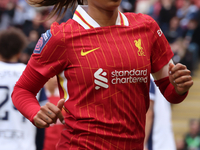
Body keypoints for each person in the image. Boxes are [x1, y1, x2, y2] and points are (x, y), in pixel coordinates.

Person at [12, 0, 193, 149]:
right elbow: (22, 90)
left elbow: (170, 91)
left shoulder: (147, 28)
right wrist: (35, 112)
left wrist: (179, 88)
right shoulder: (61, 37)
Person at [144, 75, 176, 150]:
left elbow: (148, 113)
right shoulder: (159, 78)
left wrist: (142, 143)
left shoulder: (146, 78)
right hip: (165, 142)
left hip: (155, 144)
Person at [43, 76, 66, 150]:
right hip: (44, 146)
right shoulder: (40, 100)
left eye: (58, 76)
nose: (56, 79)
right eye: (52, 76)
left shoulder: (64, 100)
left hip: (62, 146)